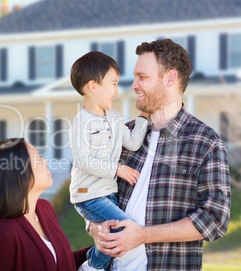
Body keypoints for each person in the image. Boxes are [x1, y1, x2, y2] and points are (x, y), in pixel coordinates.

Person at [88, 39, 231, 271]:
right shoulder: (122, 136)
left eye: (142, 77)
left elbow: (215, 219)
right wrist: (94, 227)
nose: (133, 85)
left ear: (170, 78)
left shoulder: (205, 142)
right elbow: (93, 192)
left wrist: (143, 235)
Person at [69, 51, 149, 270]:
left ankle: (96, 266)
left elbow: (132, 142)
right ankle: (90, 266)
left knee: (111, 235)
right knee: (126, 229)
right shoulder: (81, 122)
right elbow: (83, 161)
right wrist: (117, 169)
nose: (117, 90)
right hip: (88, 194)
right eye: (113, 84)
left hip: (108, 193)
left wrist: (143, 117)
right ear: (93, 87)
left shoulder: (113, 116)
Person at [0, 138, 91, 271]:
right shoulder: (1, 234)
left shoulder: (44, 208)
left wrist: (103, 248)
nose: (45, 161)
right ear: (18, 171)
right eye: (38, 158)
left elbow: (61, 262)